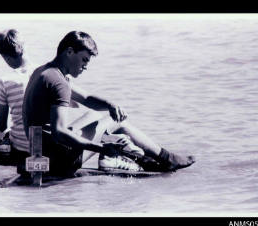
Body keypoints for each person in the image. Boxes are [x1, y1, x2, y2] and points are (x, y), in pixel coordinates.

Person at [22, 31, 195, 177]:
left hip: (43, 151)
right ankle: (166, 158)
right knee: (117, 122)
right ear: (69, 52)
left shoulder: (45, 72)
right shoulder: (58, 82)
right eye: (84, 60)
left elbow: (87, 98)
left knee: (96, 114)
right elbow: (59, 132)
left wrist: (111, 104)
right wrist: (101, 148)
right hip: (60, 162)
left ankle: (144, 159)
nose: (85, 67)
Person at [0, 29, 35, 171]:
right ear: (24, 47)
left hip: (21, 148)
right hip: (48, 146)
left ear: (6, 58)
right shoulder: (49, 73)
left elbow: (2, 126)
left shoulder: (5, 81)